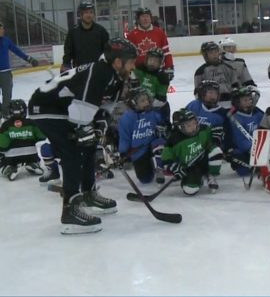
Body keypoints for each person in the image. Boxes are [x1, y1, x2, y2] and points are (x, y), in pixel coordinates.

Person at [29, 37, 136, 235]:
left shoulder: (117, 78)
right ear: (117, 61)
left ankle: (88, 194)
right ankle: (70, 212)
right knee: (73, 153)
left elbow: (104, 109)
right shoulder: (100, 71)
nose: (132, 65)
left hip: (65, 109)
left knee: (88, 146)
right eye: (130, 61)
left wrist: (96, 130)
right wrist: (84, 130)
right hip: (46, 107)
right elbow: (81, 110)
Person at [161, 108, 224, 196]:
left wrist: (217, 136)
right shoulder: (174, 140)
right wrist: (175, 167)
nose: (193, 127)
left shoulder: (203, 129)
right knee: (189, 190)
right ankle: (199, 179)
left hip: (204, 161)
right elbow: (166, 159)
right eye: (189, 125)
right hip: (190, 168)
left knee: (216, 151)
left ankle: (211, 174)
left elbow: (215, 138)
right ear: (180, 127)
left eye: (194, 123)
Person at [117, 87, 166, 185]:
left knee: (159, 142)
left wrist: (165, 127)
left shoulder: (153, 113)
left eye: (147, 99)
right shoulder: (126, 119)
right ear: (134, 103)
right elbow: (124, 138)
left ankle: (160, 167)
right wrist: (123, 153)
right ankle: (151, 167)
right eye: (142, 101)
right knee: (145, 179)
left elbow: (162, 125)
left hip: (153, 146)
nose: (147, 102)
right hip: (138, 151)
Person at [0, 100, 49, 180]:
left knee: (3, 163)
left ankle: (10, 168)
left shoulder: (6, 125)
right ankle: (33, 164)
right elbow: (42, 136)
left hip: (12, 157)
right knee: (32, 157)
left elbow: (3, 144)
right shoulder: (31, 122)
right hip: (31, 154)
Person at [0, 22, 39, 119]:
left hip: (5, 73)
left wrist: (29, 59)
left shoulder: (6, 40)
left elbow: (17, 51)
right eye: (1, 28)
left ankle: (5, 115)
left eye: (3, 28)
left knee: (7, 96)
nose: (3, 30)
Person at [126, 7, 175, 83]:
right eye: (143, 17)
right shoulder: (131, 35)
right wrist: (129, 70)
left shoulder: (159, 32)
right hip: (139, 72)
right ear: (138, 19)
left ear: (151, 18)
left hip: (157, 71)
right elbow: (128, 56)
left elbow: (166, 52)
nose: (145, 19)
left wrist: (169, 67)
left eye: (147, 16)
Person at [61, 2, 110, 73]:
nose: (89, 15)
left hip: (97, 71)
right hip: (79, 71)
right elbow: (68, 51)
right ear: (80, 14)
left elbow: (107, 51)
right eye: (86, 12)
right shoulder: (73, 32)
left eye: (91, 12)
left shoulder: (101, 31)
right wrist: (66, 64)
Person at [227, 86, 264, 178]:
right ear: (238, 103)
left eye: (250, 99)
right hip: (243, 150)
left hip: (260, 148)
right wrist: (255, 149)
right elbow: (240, 141)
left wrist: (263, 147)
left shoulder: (258, 114)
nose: (248, 102)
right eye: (245, 100)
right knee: (243, 171)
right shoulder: (236, 118)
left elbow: (265, 130)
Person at [194, 42, 238, 108]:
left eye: (216, 52)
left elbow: (235, 85)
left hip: (230, 102)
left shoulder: (228, 68)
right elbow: (197, 92)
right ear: (206, 55)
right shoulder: (200, 71)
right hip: (211, 104)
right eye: (211, 53)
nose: (214, 55)